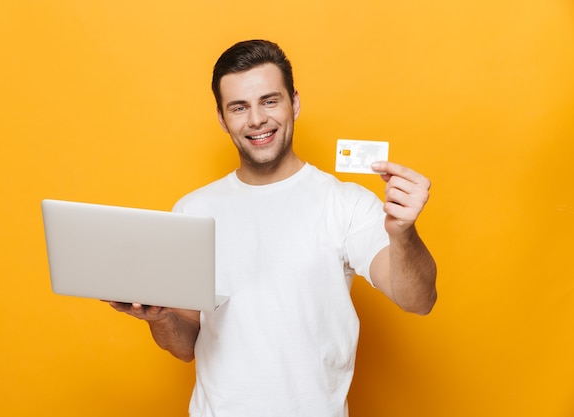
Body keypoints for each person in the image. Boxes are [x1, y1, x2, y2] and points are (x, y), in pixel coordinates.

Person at [108, 39, 437, 417]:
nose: (256, 120)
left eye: (269, 101)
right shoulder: (192, 210)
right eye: (239, 107)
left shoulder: (345, 202)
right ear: (221, 117)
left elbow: (418, 299)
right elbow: (186, 345)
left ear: (294, 102)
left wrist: (403, 232)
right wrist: (160, 317)